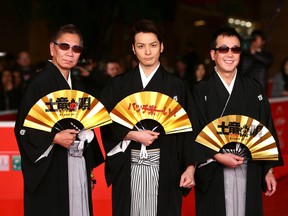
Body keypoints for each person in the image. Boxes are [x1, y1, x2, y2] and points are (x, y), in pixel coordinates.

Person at [100, 19, 204, 216]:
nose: (147, 52)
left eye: (153, 45)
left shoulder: (178, 87)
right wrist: (131, 134)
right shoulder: (118, 85)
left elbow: (191, 130)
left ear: (162, 47)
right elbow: (104, 120)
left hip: (167, 167)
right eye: (141, 46)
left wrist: (190, 168)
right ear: (133, 48)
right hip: (128, 164)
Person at [192, 26, 283, 216]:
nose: (230, 54)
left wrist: (268, 170)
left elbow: (265, 127)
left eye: (236, 49)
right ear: (213, 54)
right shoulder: (200, 90)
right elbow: (194, 130)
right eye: (223, 49)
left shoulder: (254, 88)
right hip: (214, 167)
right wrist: (217, 155)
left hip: (248, 166)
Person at [14, 24, 104, 216]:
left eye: (76, 48)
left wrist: (86, 137)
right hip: (50, 167)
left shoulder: (79, 85)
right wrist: (53, 138)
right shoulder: (38, 84)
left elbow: (86, 122)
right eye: (64, 46)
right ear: (52, 48)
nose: (70, 53)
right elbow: (23, 129)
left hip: (78, 162)